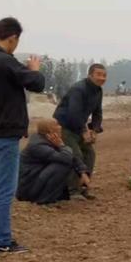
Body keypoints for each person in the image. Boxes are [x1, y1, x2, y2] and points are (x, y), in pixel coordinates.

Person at [0, 16, 45, 253]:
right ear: (12, 38)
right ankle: (2, 241)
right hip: (5, 134)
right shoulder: (6, 61)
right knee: (4, 189)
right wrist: (35, 69)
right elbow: (36, 84)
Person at [53, 63, 105, 198]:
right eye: (98, 75)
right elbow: (73, 113)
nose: (102, 78)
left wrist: (94, 129)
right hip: (65, 126)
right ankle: (72, 191)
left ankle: (84, 187)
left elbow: (98, 113)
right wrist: (83, 130)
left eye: (104, 75)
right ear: (90, 75)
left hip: (78, 125)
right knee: (75, 155)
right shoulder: (79, 89)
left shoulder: (98, 91)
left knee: (90, 154)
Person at [18, 119, 91, 205]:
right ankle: (44, 200)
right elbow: (66, 158)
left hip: (34, 184)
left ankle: (53, 197)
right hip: (28, 189)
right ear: (49, 130)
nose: (60, 127)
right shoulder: (38, 145)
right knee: (62, 165)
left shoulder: (49, 140)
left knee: (63, 161)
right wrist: (62, 146)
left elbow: (72, 157)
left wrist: (82, 172)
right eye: (57, 125)